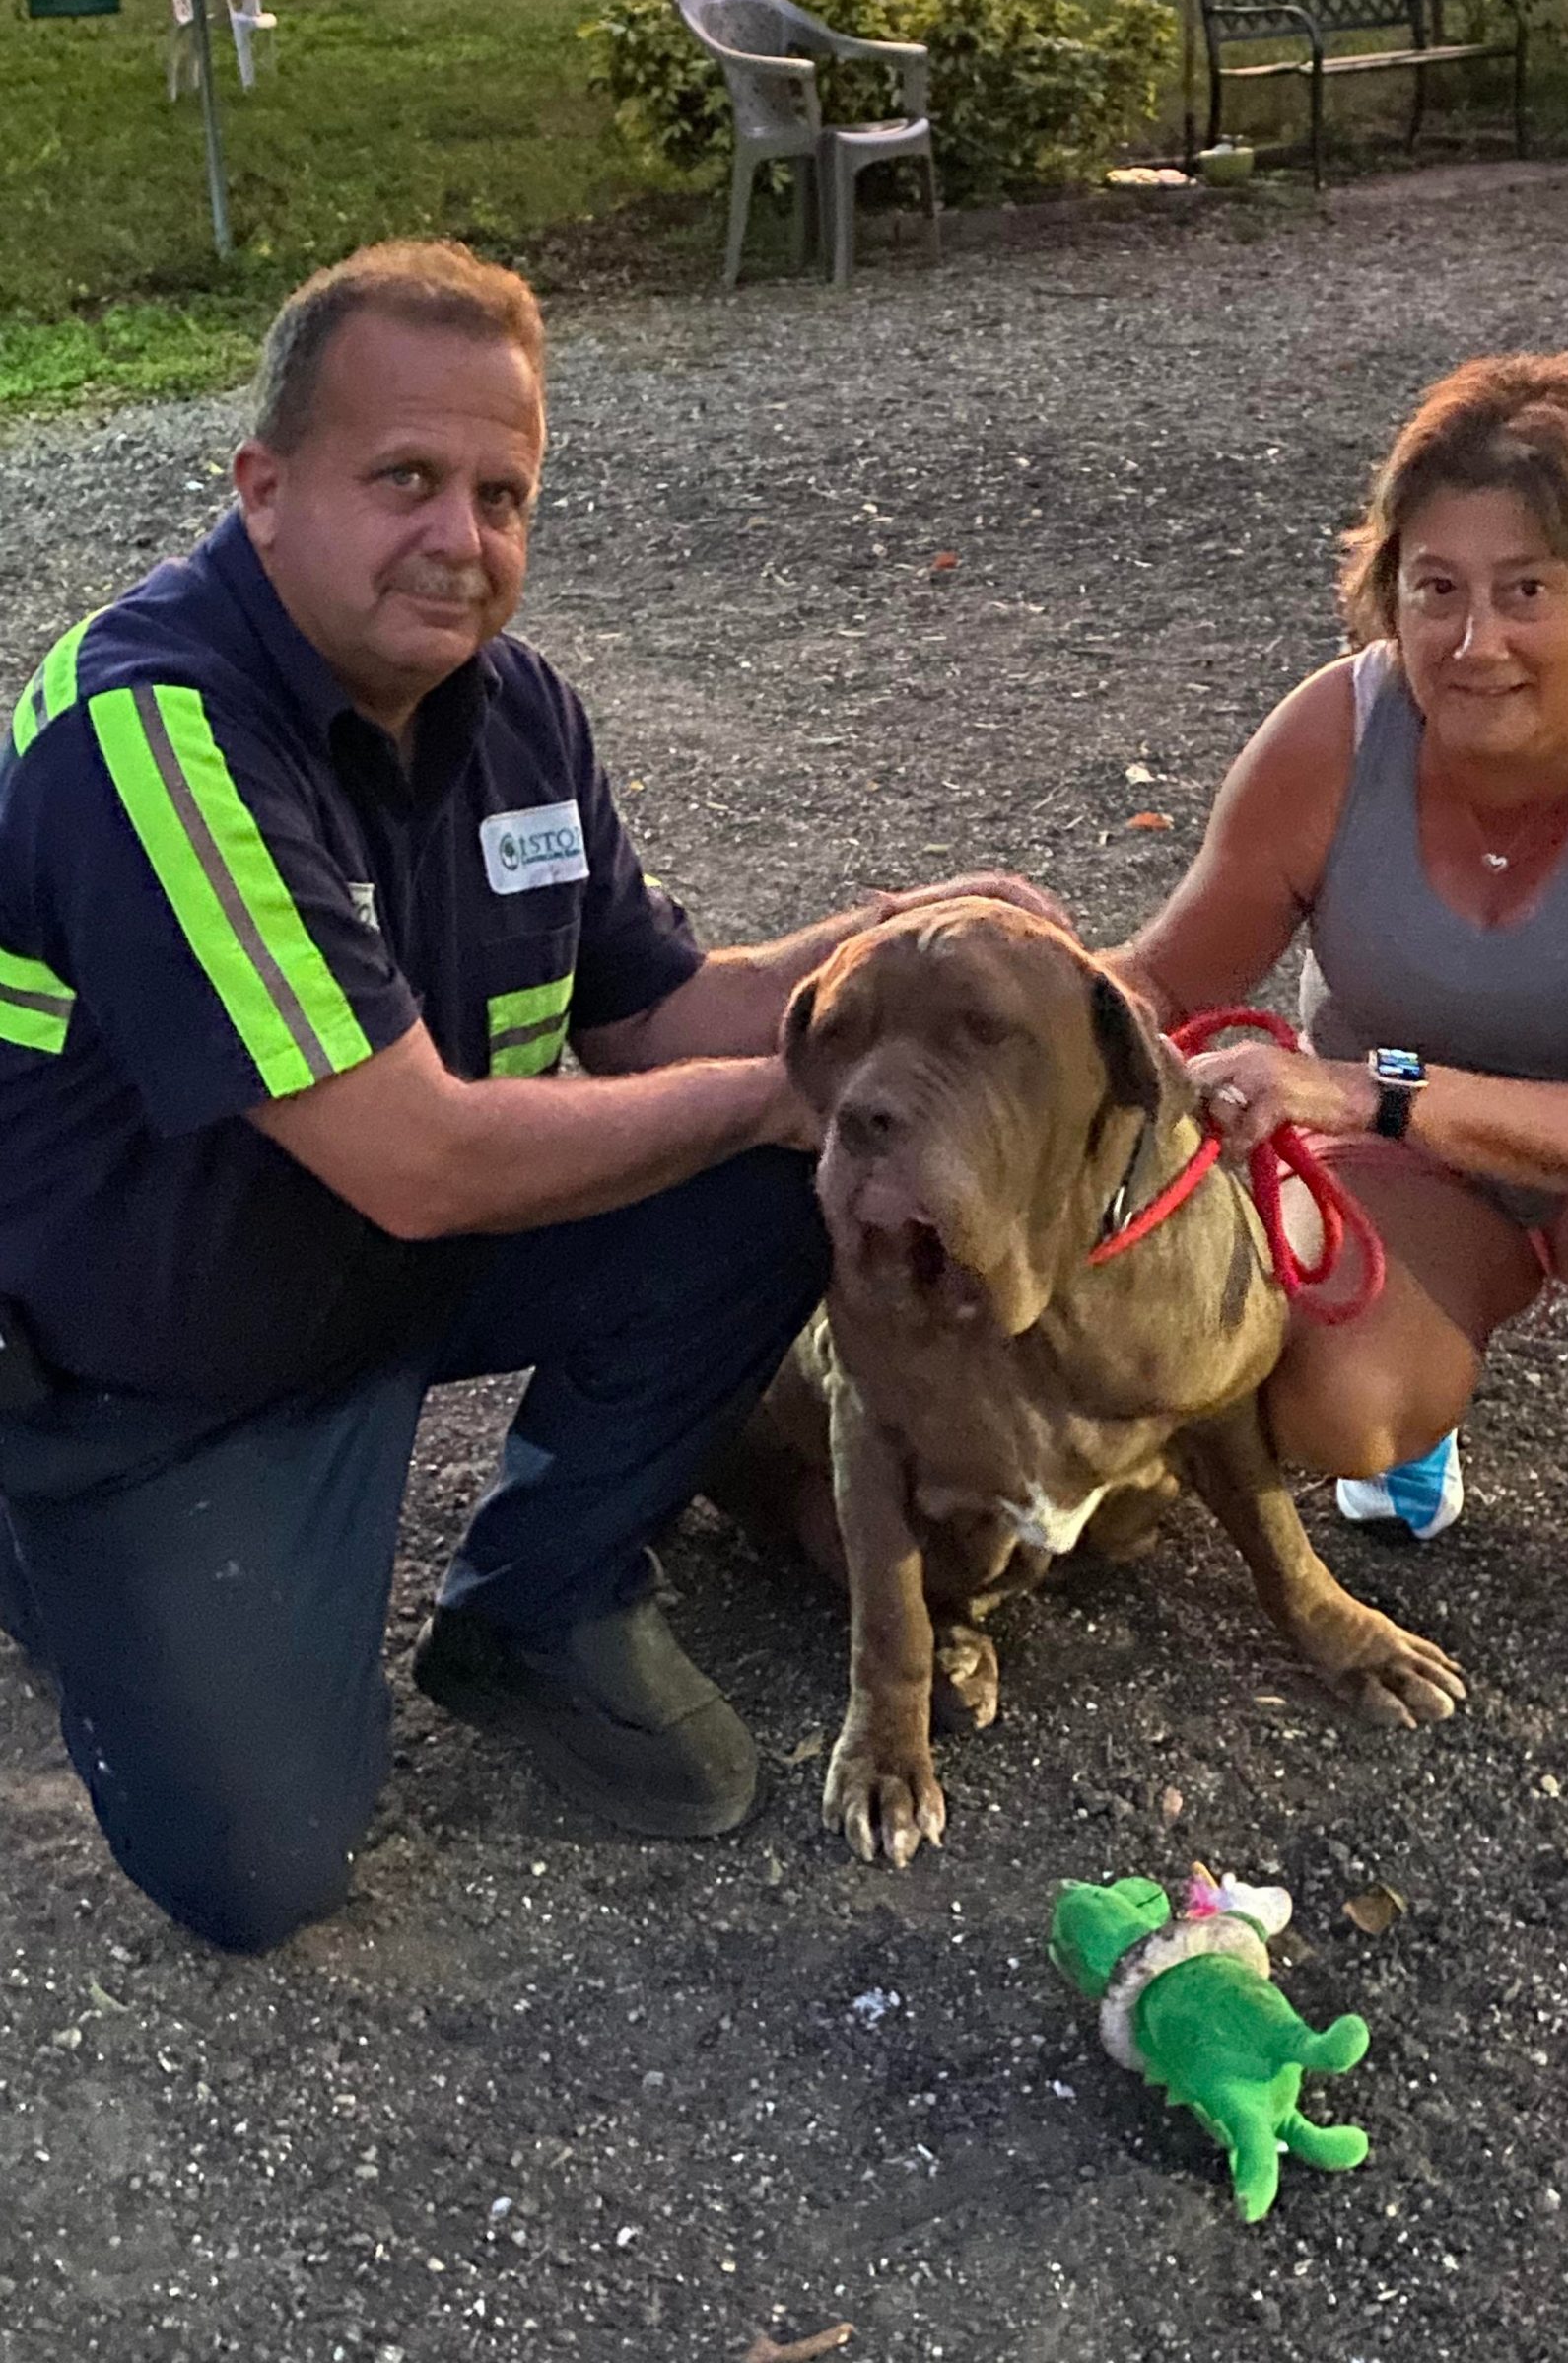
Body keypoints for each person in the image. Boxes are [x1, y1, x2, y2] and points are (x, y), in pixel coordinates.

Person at [0, 239, 1055, 1953]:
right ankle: (50, 1534)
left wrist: (900, 951)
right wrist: (786, 1096)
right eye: (404, 478)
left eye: (503, 491)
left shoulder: (519, 714)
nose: (463, 537)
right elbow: (419, 1158)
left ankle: (541, 1600)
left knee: (766, 1182)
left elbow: (657, 1020)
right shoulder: (151, 732)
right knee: (261, 1873)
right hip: (155, 1361)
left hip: (389, 1260)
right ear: (263, 489)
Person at [1115, 352, 1568, 1707]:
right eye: (1435, 588)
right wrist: (970, 990)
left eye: (1527, 589)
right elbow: (1161, 980)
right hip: (1422, 1170)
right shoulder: (1333, 733)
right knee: (1321, 1398)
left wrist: (1364, 1091)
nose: (1473, 640)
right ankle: (1415, 1396)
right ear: (1386, 590)